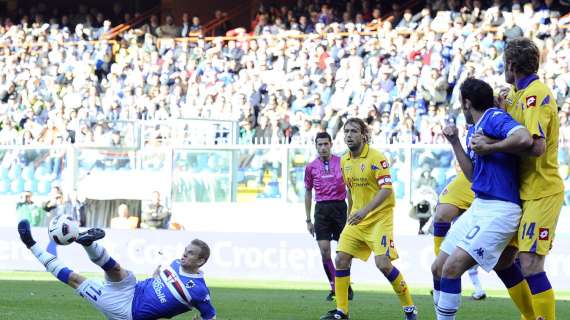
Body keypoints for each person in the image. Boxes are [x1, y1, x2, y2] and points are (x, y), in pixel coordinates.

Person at [474, 37, 564, 320]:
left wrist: (490, 147)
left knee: (531, 263)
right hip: (520, 193)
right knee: (502, 260)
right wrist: (501, 111)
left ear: (511, 65)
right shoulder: (514, 95)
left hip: (542, 191)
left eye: (504, 64)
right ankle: (530, 316)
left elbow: (535, 146)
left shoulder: (537, 95)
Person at [432, 78, 533, 320]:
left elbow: (525, 138)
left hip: (502, 209)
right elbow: (472, 176)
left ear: (467, 102)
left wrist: (491, 147)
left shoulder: (494, 117)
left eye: (460, 103)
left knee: (452, 268)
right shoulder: (473, 130)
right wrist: (455, 142)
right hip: (481, 205)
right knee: (438, 268)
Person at [17, 219, 216, 320]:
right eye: (185, 251)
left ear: (200, 261)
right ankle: (88, 243)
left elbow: (211, 316)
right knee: (117, 270)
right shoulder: (175, 264)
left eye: (190, 254)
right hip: (135, 289)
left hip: (126, 310)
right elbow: (162, 281)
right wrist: (156, 275)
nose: (183, 255)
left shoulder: (199, 291)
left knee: (76, 280)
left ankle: (31, 244)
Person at [320, 118, 416, 320]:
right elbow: (350, 191)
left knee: (383, 264)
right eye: (346, 131)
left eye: (354, 131)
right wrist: (350, 217)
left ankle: (409, 308)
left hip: (379, 218)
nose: (349, 135)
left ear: (363, 135)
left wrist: (364, 212)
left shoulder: (376, 157)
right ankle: (342, 312)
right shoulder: (344, 160)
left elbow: (386, 190)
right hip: (356, 220)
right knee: (341, 259)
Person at [304, 131, 353, 301]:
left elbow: (350, 189)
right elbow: (308, 192)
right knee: (325, 251)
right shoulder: (311, 167)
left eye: (326, 144)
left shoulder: (342, 163)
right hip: (321, 210)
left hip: (340, 208)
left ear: (331, 144)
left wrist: (351, 212)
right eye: (320, 144)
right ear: (316, 146)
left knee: (344, 252)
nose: (323, 147)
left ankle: (345, 285)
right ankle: (335, 286)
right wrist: (308, 219)